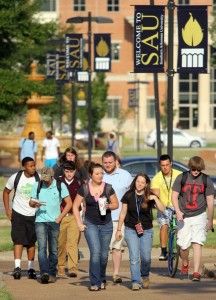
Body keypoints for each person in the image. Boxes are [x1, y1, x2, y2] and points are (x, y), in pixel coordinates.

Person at [73, 162, 119, 291]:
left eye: (102, 173)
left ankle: (102, 277)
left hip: (106, 225)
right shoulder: (84, 188)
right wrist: (79, 224)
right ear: (91, 175)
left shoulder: (108, 188)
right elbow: (75, 207)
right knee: (95, 253)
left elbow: (116, 204)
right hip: (90, 223)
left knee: (104, 255)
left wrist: (109, 206)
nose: (100, 176)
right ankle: (94, 282)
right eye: (97, 174)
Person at [116, 173, 164, 290]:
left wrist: (155, 198)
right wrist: (118, 229)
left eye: (142, 182)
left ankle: (145, 276)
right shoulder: (128, 195)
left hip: (146, 230)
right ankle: (136, 282)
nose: (140, 184)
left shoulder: (150, 195)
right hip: (131, 229)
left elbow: (162, 209)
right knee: (134, 257)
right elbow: (122, 213)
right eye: (138, 181)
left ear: (146, 184)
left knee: (146, 257)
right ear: (135, 181)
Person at [172, 156, 214, 281]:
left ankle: (196, 272)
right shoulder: (182, 177)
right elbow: (174, 196)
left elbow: (210, 201)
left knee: (197, 242)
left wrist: (210, 219)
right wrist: (178, 212)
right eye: (194, 169)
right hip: (183, 215)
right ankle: (185, 264)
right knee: (183, 246)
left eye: (199, 169)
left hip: (199, 215)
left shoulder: (206, 180)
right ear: (190, 167)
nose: (196, 171)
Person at [29, 167, 72, 284]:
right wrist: (33, 204)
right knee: (42, 248)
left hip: (54, 222)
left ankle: (52, 273)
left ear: (53, 177)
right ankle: (44, 272)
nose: (45, 182)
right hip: (40, 220)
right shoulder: (37, 185)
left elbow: (69, 203)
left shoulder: (60, 185)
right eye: (43, 179)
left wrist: (59, 218)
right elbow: (31, 201)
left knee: (53, 249)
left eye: (47, 179)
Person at [3, 157, 39, 280]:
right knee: (18, 240)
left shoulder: (38, 178)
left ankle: (31, 268)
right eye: (30, 166)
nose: (33, 168)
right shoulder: (16, 177)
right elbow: (6, 192)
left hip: (33, 214)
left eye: (34, 165)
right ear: (24, 167)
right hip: (18, 213)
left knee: (31, 241)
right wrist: (8, 210)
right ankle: (17, 267)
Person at [102, 151, 132, 283]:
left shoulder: (125, 175)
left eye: (110, 162)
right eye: (105, 163)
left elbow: (131, 195)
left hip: (118, 218)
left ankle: (116, 274)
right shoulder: (98, 175)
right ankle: (101, 274)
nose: (107, 165)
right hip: (101, 218)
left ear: (115, 162)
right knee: (101, 249)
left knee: (116, 247)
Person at [151, 154, 182, 261]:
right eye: (163, 165)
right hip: (164, 206)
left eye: (167, 165)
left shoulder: (179, 175)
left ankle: (181, 248)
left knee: (181, 228)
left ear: (171, 164)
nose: (165, 167)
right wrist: (159, 206)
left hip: (178, 205)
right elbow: (156, 196)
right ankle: (164, 250)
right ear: (160, 165)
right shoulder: (156, 178)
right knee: (164, 225)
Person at [57, 161, 82, 278]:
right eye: (67, 172)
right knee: (60, 243)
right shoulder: (58, 182)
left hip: (74, 216)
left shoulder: (79, 183)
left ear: (75, 171)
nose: (69, 174)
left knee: (72, 243)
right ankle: (61, 268)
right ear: (63, 171)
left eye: (71, 172)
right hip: (60, 216)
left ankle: (73, 268)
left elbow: (84, 200)